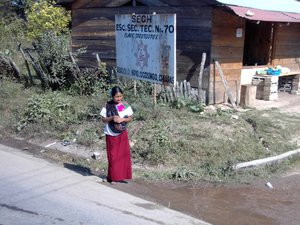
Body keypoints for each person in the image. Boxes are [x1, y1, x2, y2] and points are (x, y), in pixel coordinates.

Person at [100, 86, 133, 185]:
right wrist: (112, 118)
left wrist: (122, 119)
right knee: (112, 156)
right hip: (111, 133)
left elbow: (130, 118)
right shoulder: (107, 105)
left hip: (122, 133)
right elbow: (103, 119)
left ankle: (119, 176)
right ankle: (112, 177)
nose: (119, 99)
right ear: (112, 96)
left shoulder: (122, 105)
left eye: (120, 96)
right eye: (116, 97)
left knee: (123, 156)